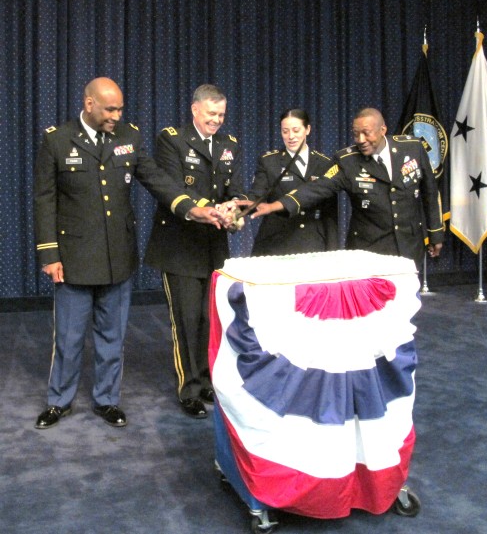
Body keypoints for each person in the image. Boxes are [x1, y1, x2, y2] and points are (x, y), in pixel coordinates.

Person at [33, 77, 224, 430]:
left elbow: (156, 180)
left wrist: (192, 207)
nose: (116, 116)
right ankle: (59, 400)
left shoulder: (128, 137)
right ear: (89, 104)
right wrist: (49, 254)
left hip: (117, 255)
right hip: (73, 258)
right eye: (110, 109)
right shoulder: (57, 140)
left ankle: (107, 400)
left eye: (120, 109)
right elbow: (45, 201)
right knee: (70, 338)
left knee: (112, 336)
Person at [144, 84, 247, 419]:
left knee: (208, 318)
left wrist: (235, 207)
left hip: (213, 246)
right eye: (211, 114)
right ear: (195, 110)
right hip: (180, 245)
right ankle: (188, 388)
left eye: (221, 115)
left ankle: (205, 380)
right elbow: (172, 188)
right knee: (186, 320)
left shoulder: (229, 145)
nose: (217, 121)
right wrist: (206, 208)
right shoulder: (172, 140)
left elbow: (236, 188)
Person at [244, 107, 444, 265]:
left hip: (409, 244)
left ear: (383, 130)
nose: (360, 140)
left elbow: (429, 191)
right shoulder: (347, 161)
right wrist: (273, 206)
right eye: (355, 134)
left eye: (366, 133)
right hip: (369, 246)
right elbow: (316, 188)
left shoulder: (412, 148)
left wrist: (435, 233)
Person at [248, 109, 339, 256]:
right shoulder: (269, 161)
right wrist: (239, 206)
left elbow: (330, 214)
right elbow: (256, 196)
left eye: (296, 130)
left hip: (313, 244)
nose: (291, 136)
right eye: (285, 131)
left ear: (307, 129)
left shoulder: (325, 163)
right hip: (277, 244)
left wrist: (333, 250)